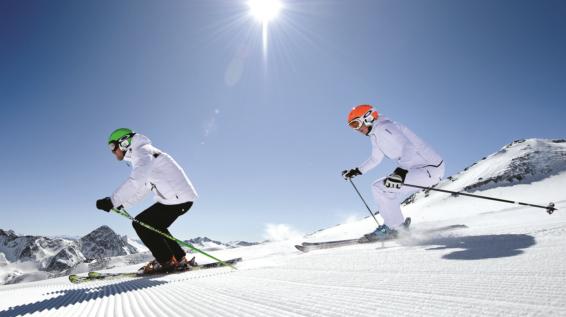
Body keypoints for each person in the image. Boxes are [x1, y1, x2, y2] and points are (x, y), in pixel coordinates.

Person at [96, 128, 198, 273]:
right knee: (155, 225)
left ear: (124, 142)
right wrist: (122, 204)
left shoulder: (142, 153)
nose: (113, 152)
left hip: (177, 199)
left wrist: (112, 201)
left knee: (141, 224)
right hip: (177, 198)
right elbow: (143, 187)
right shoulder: (144, 153)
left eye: (113, 147)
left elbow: (136, 181)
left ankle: (167, 262)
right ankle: (179, 258)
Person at [342, 105, 445, 241]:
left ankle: (395, 228)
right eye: (352, 126)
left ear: (368, 117)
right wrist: (357, 171)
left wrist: (401, 170)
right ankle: (397, 227)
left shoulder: (385, 127)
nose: (357, 129)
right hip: (418, 170)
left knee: (381, 187)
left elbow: (409, 146)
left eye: (356, 124)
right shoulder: (375, 135)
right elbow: (375, 159)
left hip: (429, 168)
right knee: (381, 188)